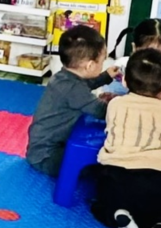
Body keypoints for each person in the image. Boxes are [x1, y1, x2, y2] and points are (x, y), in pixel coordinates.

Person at [92, 49, 161, 228]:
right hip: (156, 180)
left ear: (125, 81)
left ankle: (121, 216)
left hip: (114, 176)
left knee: (101, 204)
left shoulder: (116, 104)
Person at [26, 25, 110, 177]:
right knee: (102, 165)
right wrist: (122, 105)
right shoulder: (73, 88)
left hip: (42, 146)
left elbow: (86, 84)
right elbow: (101, 111)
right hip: (46, 155)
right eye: (103, 60)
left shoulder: (64, 77)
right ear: (90, 65)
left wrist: (106, 76)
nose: (103, 64)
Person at [107, 19, 161, 114]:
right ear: (134, 48)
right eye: (147, 52)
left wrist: (160, 107)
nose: (153, 59)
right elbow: (108, 95)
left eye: (160, 53)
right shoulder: (123, 66)